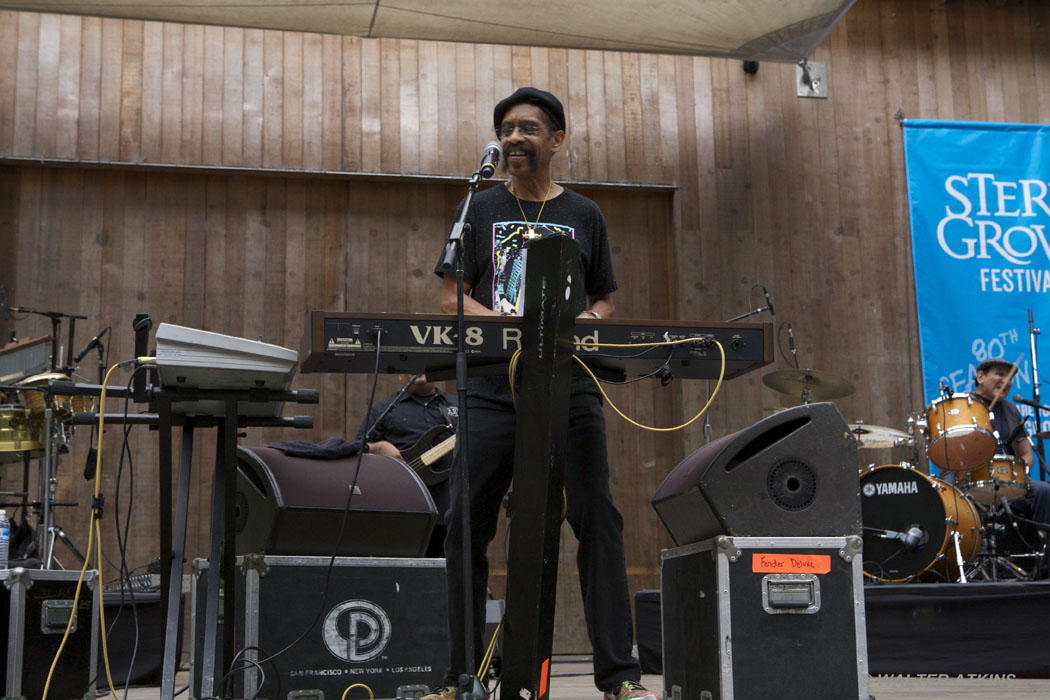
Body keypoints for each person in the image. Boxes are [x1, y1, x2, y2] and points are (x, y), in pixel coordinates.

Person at [428, 87, 658, 700]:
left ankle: (619, 678)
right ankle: (461, 676)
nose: (513, 138)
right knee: (463, 523)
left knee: (597, 519)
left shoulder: (586, 213)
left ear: (557, 141)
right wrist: (518, 332)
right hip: (490, 387)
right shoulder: (477, 210)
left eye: (528, 129)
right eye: (506, 129)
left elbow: (604, 296)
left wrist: (593, 321)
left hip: (570, 385)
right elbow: (452, 298)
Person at [356, 373, 457, 558]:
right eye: (411, 366)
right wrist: (379, 447)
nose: (419, 369)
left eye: (425, 365)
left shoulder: (457, 405)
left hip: (451, 506)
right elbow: (358, 446)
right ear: (400, 375)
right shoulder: (386, 409)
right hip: (405, 509)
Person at [968, 358, 1050, 529]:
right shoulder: (963, 405)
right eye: (999, 374)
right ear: (980, 377)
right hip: (970, 477)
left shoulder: (1011, 409)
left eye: (1010, 378)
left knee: (1044, 491)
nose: (1006, 381)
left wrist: (1016, 473)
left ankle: (1041, 552)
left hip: (1008, 479)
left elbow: (1026, 454)